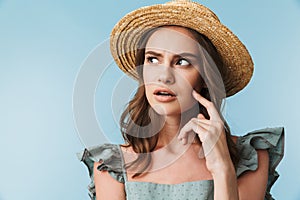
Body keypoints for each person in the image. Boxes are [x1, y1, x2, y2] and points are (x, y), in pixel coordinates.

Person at [77, 0, 284, 199]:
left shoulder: (250, 158)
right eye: (153, 59)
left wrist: (222, 169)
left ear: (204, 77)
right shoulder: (112, 165)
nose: (164, 76)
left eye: (182, 62)